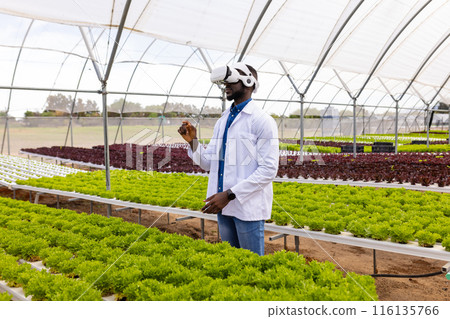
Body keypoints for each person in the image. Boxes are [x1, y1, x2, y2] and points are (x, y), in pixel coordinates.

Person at [178, 63, 279, 256]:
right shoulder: (223, 120)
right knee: (231, 262)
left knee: (251, 266)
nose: (226, 84)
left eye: (233, 79)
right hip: (222, 207)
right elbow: (209, 163)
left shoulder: (262, 120)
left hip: (246, 208)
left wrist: (230, 195)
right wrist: (193, 142)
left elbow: (268, 170)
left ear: (249, 82)